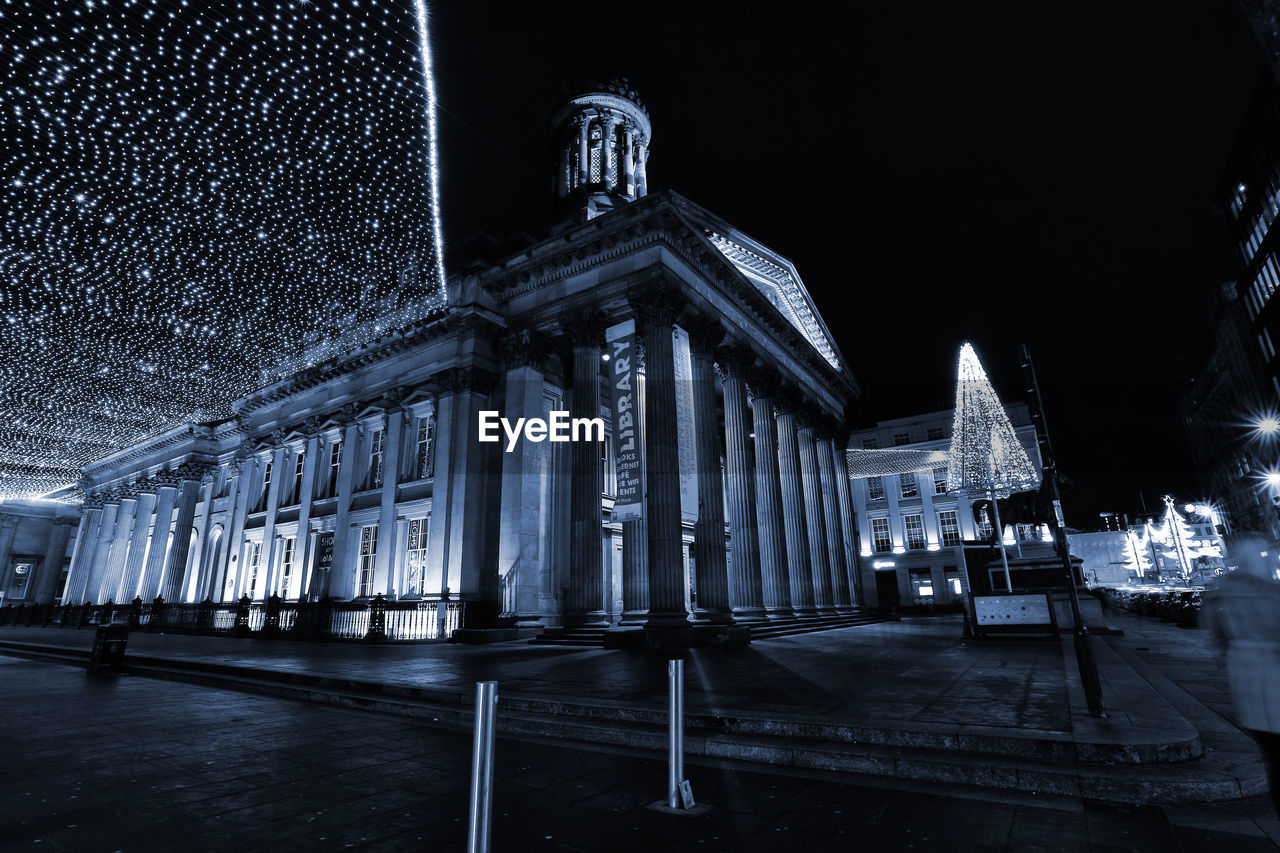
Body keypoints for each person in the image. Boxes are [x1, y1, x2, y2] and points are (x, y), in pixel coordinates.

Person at [1204, 540, 1280, 815]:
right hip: (1274, 680)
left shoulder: (1221, 595)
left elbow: (1216, 640)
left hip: (1245, 683)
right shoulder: (1272, 593)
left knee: (1272, 757)